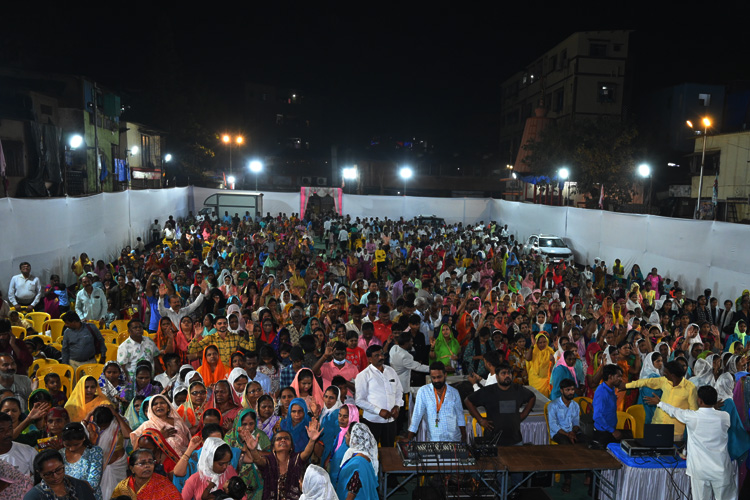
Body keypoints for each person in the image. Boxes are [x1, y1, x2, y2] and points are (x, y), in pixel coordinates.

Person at [657, 386, 737, 500]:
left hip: (700, 470)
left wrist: (660, 403)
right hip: (721, 468)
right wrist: (713, 407)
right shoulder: (724, 417)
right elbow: (710, 416)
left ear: (699, 401)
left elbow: (674, 411)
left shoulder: (691, 417)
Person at [244, 422, 322, 500]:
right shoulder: (269, 460)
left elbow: (306, 454)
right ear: (273, 447)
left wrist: (312, 440)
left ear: (291, 447)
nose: (283, 440)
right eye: (279, 439)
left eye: (286, 438)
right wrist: (253, 450)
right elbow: (258, 460)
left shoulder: (296, 459)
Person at [465, 361, 535, 446]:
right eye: (503, 373)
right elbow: (468, 401)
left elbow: (532, 397)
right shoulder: (488, 391)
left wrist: (524, 414)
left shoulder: (518, 389)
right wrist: (481, 420)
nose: (507, 375)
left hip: (515, 440)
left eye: (509, 373)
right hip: (493, 440)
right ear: (497, 377)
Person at [625, 360, 698, 441]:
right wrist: (626, 386)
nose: (663, 373)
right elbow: (646, 382)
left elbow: (693, 413)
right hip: (656, 425)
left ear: (672, 375)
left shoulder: (690, 388)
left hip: (674, 432)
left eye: (665, 372)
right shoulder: (665, 381)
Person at [354, 345, 403, 446]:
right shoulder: (363, 375)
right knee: (371, 450)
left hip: (391, 420)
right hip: (373, 421)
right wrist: (378, 411)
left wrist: (397, 406)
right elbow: (359, 400)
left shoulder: (391, 371)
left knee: (389, 450)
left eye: (381, 354)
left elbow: (399, 391)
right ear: (370, 359)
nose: (381, 357)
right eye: (377, 355)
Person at [406, 361, 466, 442]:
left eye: (439, 377)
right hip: (435, 440)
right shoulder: (423, 391)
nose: (436, 380)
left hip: (454, 439)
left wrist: (464, 438)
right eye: (433, 378)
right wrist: (408, 438)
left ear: (445, 375)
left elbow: (460, 416)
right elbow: (417, 415)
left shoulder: (454, 392)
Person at [547, 378, 585, 492]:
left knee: (587, 442)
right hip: (559, 433)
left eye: (572, 389)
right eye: (568, 390)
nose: (571, 392)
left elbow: (576, 422)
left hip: (572, 432)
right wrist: (568, 435)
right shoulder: (553, 405)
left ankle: (589, 476)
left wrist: (573, 432)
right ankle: (567, 480)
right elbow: (553, 426)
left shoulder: (575, 405)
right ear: (561, 391)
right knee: (566, 446)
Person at [24, 449, 97, 500]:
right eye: (48, 474)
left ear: (63, 465)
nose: (55, 476)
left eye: (58, 470)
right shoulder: (33, 496)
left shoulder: (80, 486)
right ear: (39, 473)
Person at [111, 448, 182, 500]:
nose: (147, 466)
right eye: (142, 463)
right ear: (132, 468)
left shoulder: (164, 485)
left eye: (150, 462)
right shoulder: (123, 487)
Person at [188, 316, 256, 367]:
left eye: (224, 323)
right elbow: (191, 350)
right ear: (215, 326)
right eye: (219, 324)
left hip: (231, 371)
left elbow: (251, 348)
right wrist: (196, 336)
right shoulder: (210, 338)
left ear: (227, 325)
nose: (222, 325)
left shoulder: (235, 337)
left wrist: (250, 333)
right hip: (216, 371)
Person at [335, 423, 379, 500]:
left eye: (348, 435)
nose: (345, 436)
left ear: (353, 439)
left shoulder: (358, 464)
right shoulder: (365, 455)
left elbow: (352, 492)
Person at [60, 422, 104, 500]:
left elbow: (92, 486)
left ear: (84, 438)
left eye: (76, 444)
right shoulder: (60, 454)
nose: (71, 449)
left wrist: (66, 478)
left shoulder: (94, 452)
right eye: (67, 445)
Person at [592, 364, 628, 445]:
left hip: (609, 429)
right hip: (603, 432)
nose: (620, 379)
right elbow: (597, 416)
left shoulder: (611, 388)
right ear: (610, 376)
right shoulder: (602, 392)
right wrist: (613, 431)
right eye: (618, 376)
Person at [0, 412, 36, 476]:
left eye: (10, 428)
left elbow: (41, 477)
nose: (8, 433)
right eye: (1, 430)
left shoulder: (28, 451)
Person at [526, 332, 555, 398]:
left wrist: (552, 361)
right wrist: (532, 346)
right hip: (534, 380)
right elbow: (528, 358)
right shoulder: (533, 350)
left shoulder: (550, 351)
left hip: (545, 381)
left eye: (544, 342)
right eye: (540, 343)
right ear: (537, 343)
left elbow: (552, 368)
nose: (542, 344)